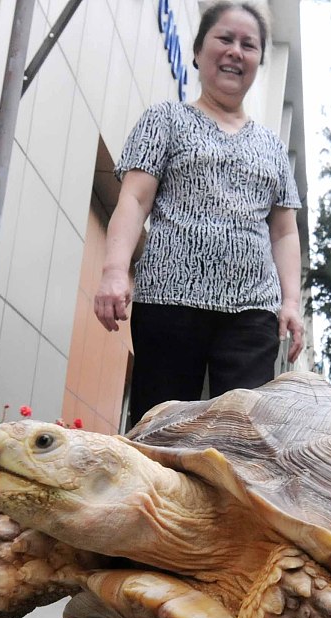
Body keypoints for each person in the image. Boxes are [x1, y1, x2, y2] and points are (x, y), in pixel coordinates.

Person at [94, 1, 304, 428]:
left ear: (258, 62)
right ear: (197, 50)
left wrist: (292, 302)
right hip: (169, 301)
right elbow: (133, 200)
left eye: (248, 45)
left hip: (251, 312)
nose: (235, 51)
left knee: (239, 434)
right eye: (224, 39)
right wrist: (115, 271)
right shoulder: (165, 118)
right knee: (161, 427)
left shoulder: (272, 147)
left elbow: (284, 231)